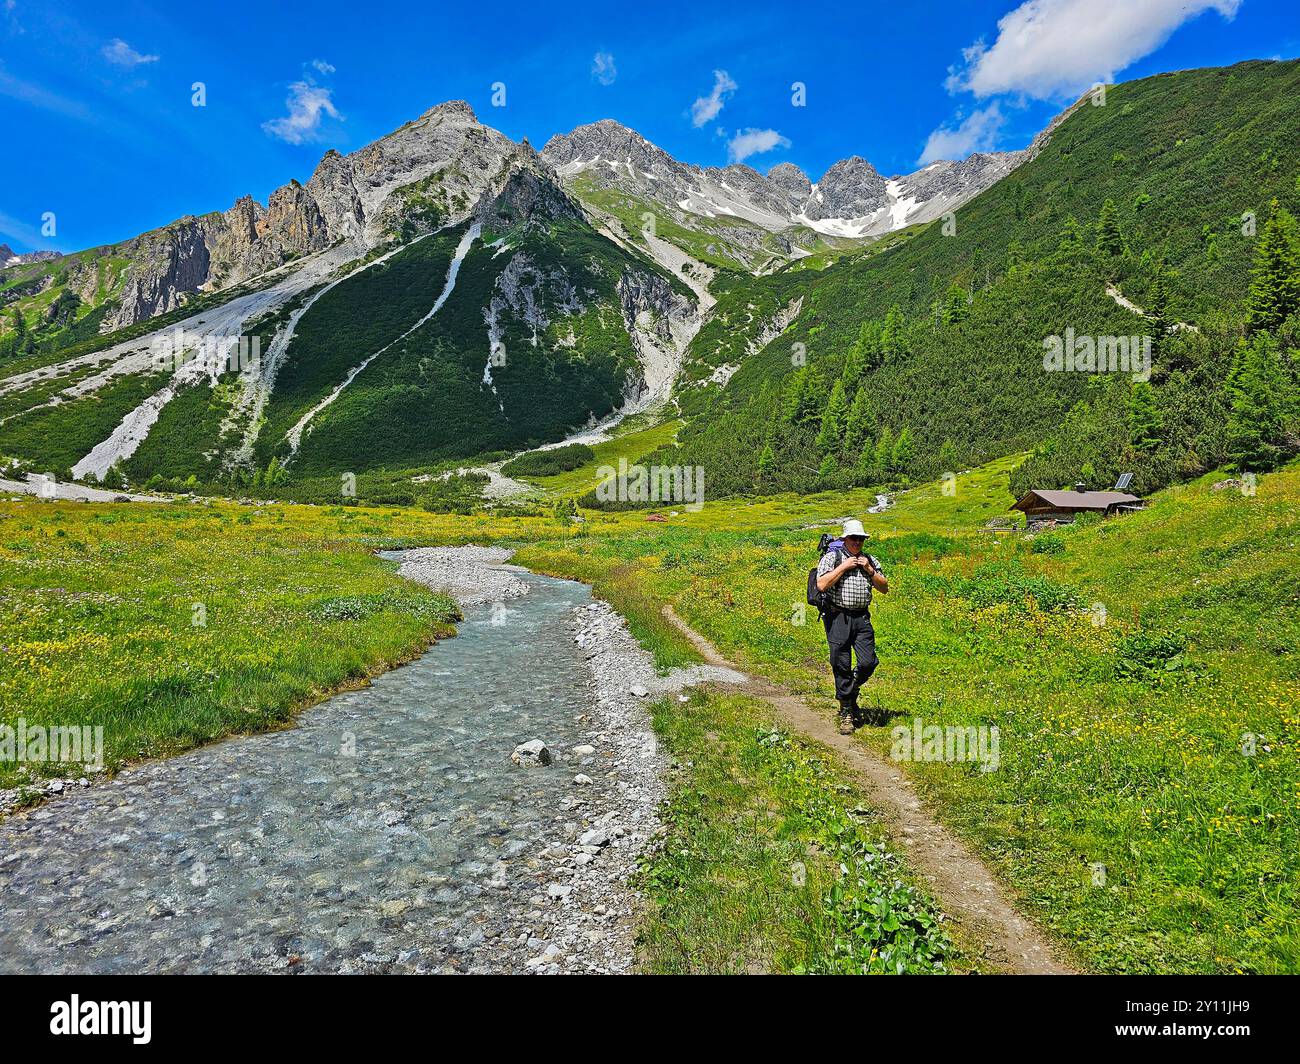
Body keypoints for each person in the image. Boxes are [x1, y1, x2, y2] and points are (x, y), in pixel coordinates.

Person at [815, 519, 888, 734]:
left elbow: (884, 588)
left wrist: (870, 570)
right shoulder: (832, 558)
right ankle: (846, 711)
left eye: (861, 538)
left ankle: (851, 691)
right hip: (838, 617)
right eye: (853, 538)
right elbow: (821, 584)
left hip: (861, 618)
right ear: (845, 539)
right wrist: (844, 566)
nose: (857, 542)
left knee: (868, 662)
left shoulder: (870, 560)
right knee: (841, 663)